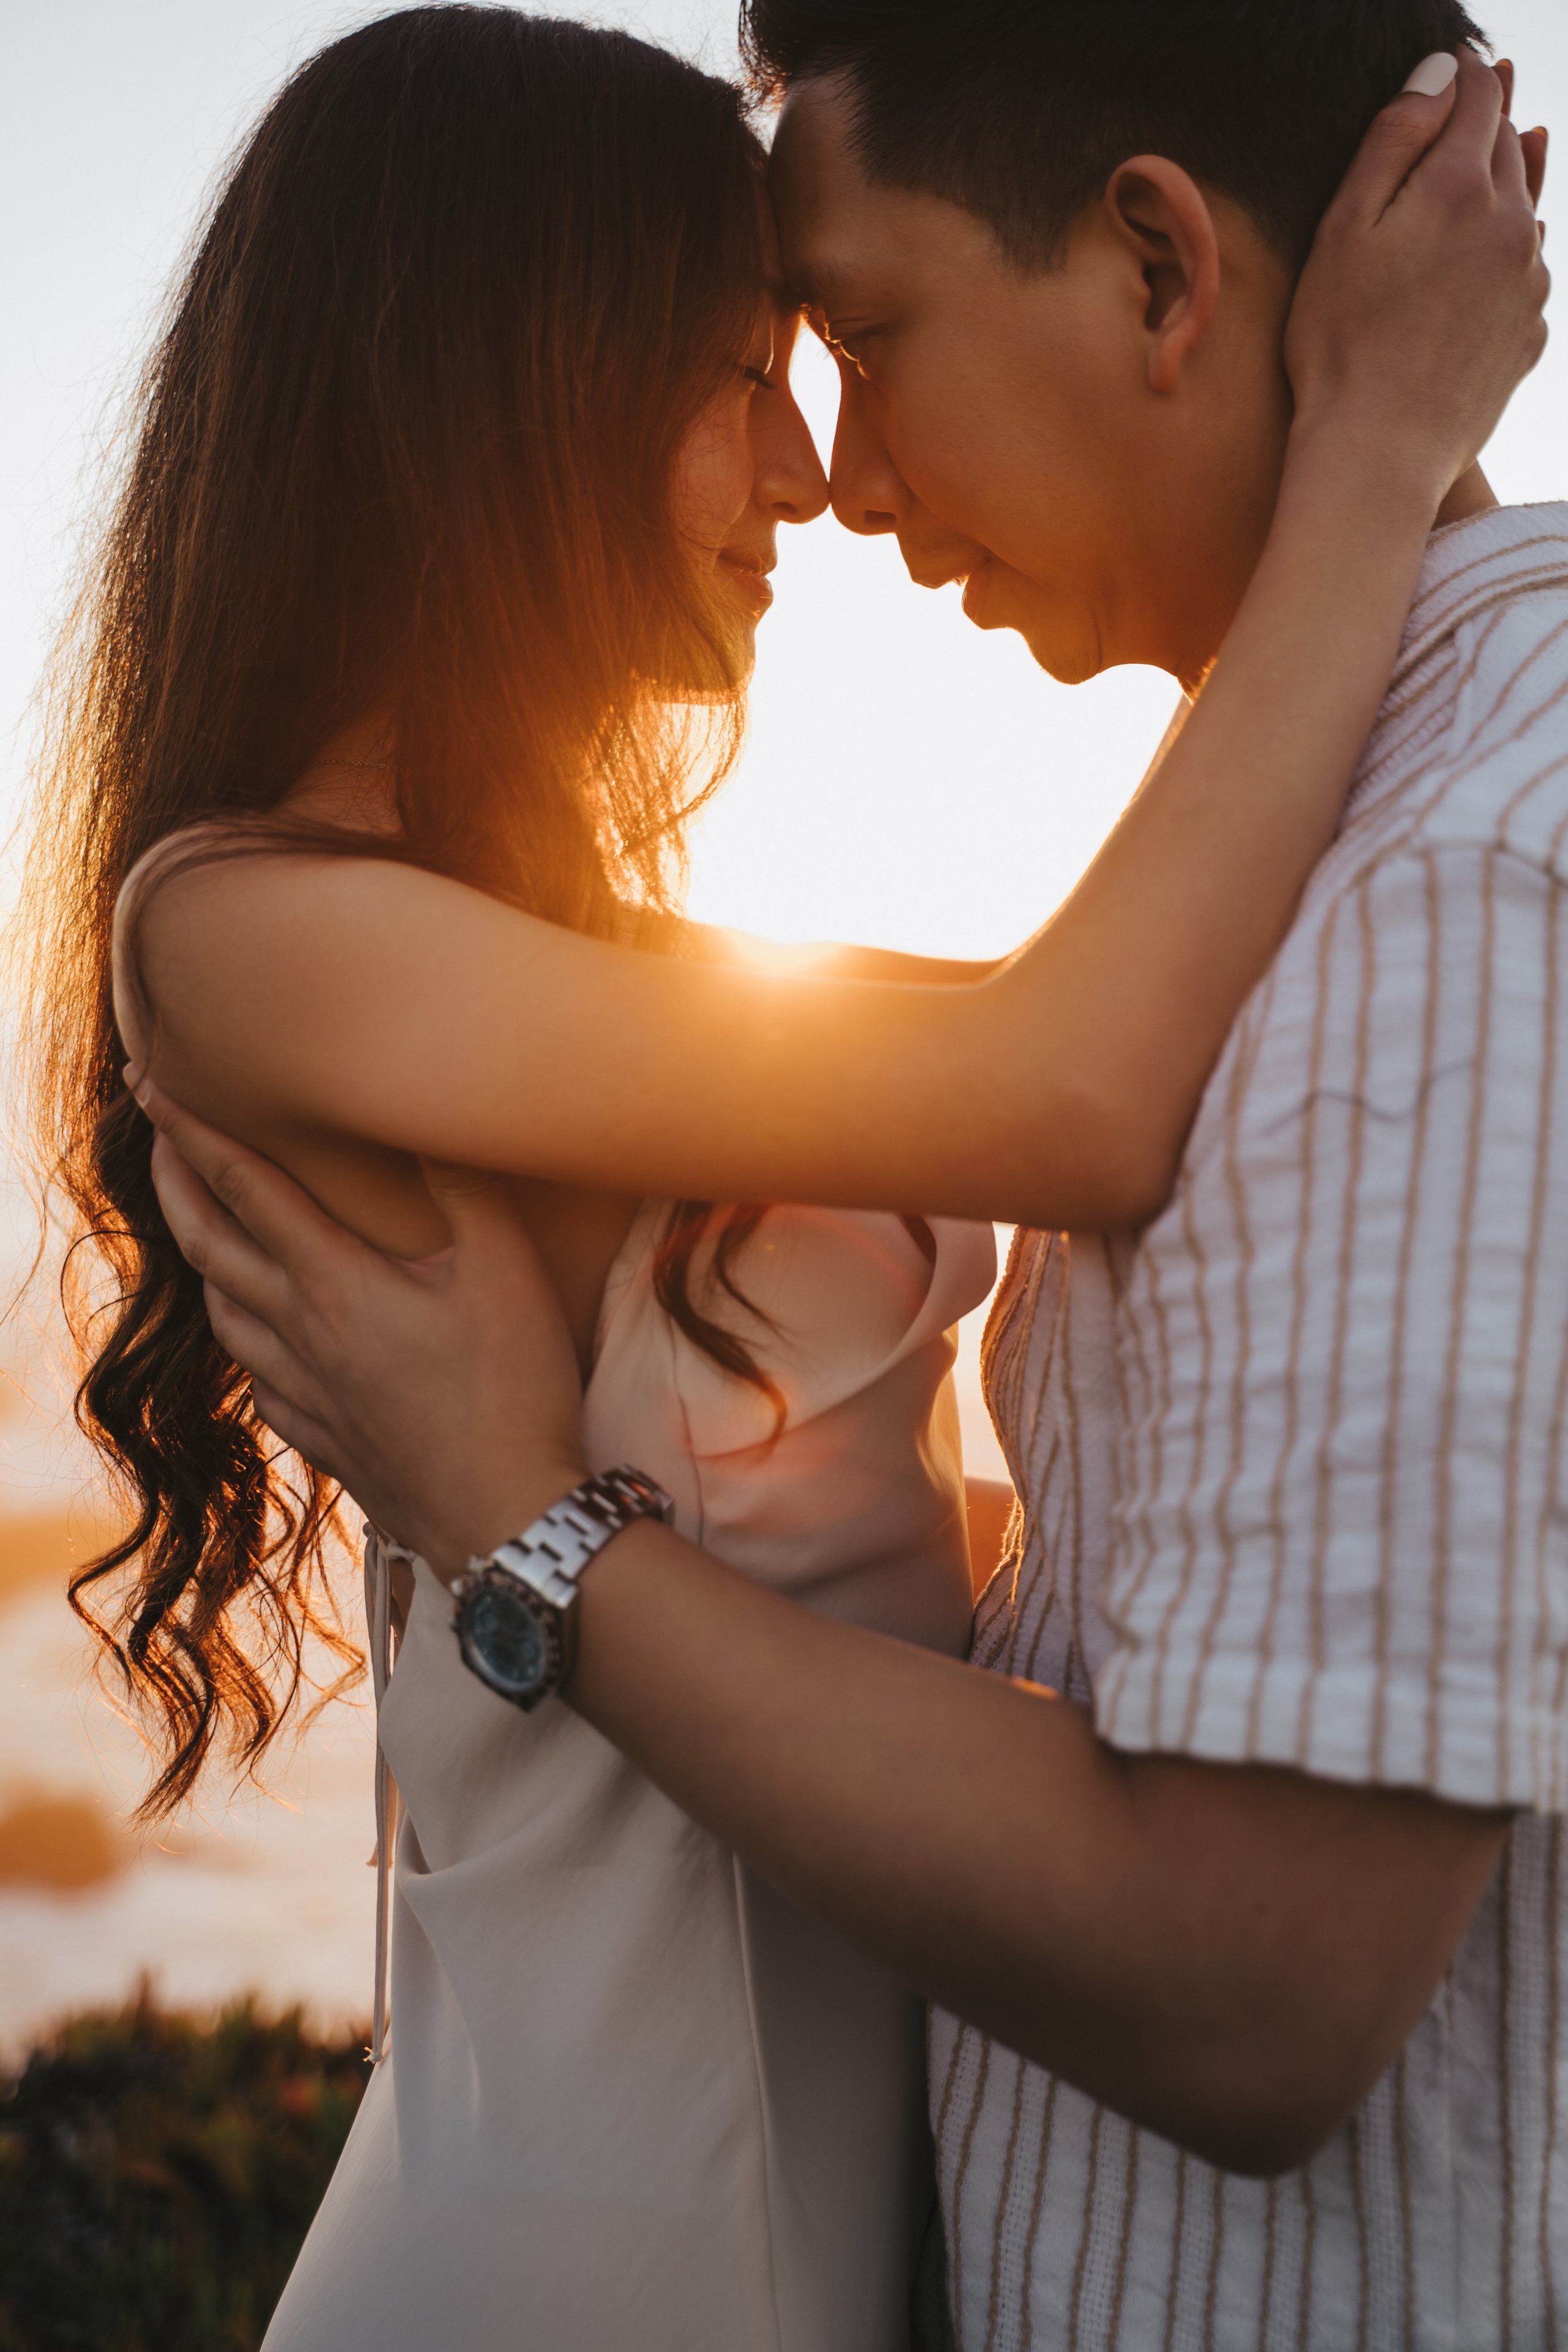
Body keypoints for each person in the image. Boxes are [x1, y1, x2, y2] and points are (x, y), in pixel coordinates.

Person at [28, 4, 1548, 2350]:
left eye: (824, 347)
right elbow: (1079, 1086)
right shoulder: (244, 935)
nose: (814, 471)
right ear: (510, 376)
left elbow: (1122, 1008)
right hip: (585, 2257)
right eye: (749, 367)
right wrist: (1371, 448)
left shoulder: (596, 992)